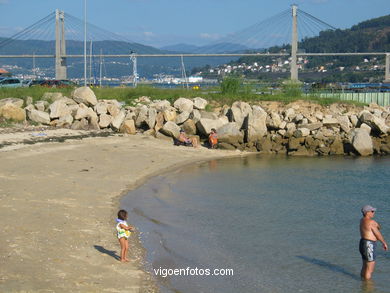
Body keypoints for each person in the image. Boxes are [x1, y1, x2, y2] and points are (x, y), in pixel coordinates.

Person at [359, 205, 388, 280]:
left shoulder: (362, 220)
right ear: (367, 212)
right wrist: (383, 242)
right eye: (372, 211)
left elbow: (377, 227)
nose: (374, 212)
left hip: (363, 243)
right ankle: (368, 286)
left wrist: (376, 224)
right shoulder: (371, 222)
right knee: (370, 268)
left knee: (365, 266)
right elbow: (378, 233)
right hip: (369, 245)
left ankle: (362, 283)